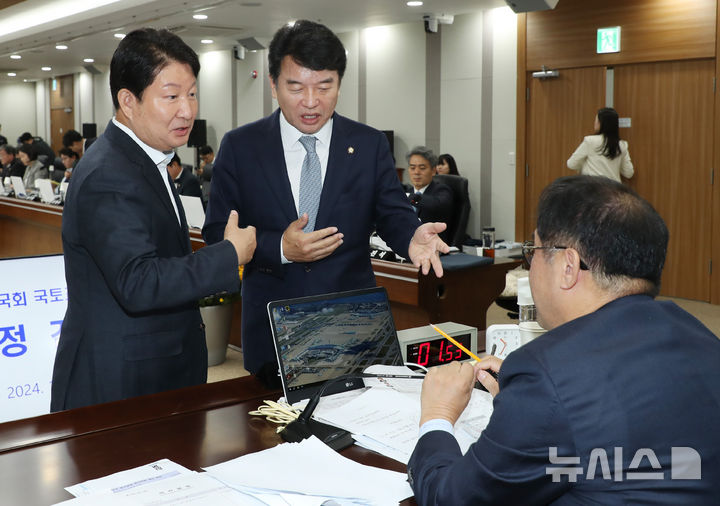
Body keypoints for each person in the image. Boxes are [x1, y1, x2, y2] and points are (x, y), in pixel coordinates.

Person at [408, 175, 720, 504]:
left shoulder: (548, 375)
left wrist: (437, 415)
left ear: (568, 266)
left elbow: (453, 498)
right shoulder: (701, 337)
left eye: (533, 253)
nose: (530, 270)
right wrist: (528, 407)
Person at [203, 20, 448, 386]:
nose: (311, 102)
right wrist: (280, 248)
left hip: (352, 326)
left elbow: (392, 212)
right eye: (296, 87)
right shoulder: (241, 147)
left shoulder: (367, 144)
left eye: (324, 86)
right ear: (273, 85)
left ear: (339, 84)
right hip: (273, 328)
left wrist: (412, 236)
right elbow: (216, 233)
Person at [50, 28, 257, 412]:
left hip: (156, 374)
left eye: (192, 93)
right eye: (172, 96)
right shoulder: (109, 173)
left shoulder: (147, 157)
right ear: (128, 101)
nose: (188, 110)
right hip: (120, 386)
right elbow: (139, 282)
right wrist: (230, 255)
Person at [567, 107, 634, 182]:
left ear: (602, 123)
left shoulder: (590, 141)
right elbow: (629, 173)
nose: (595, 123)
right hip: (614, 189)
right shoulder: (622, 145)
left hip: (593, 188)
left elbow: (571, 164)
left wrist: (585, 164)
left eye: (596, 120)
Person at [404, 146, 454, 243]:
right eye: (412, 168)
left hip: (433, 247)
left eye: (422, 168)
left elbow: (436, 204)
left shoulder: (442, 190)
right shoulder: (407, 192)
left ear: (433, 171)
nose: (416, 172)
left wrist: (408, 197)